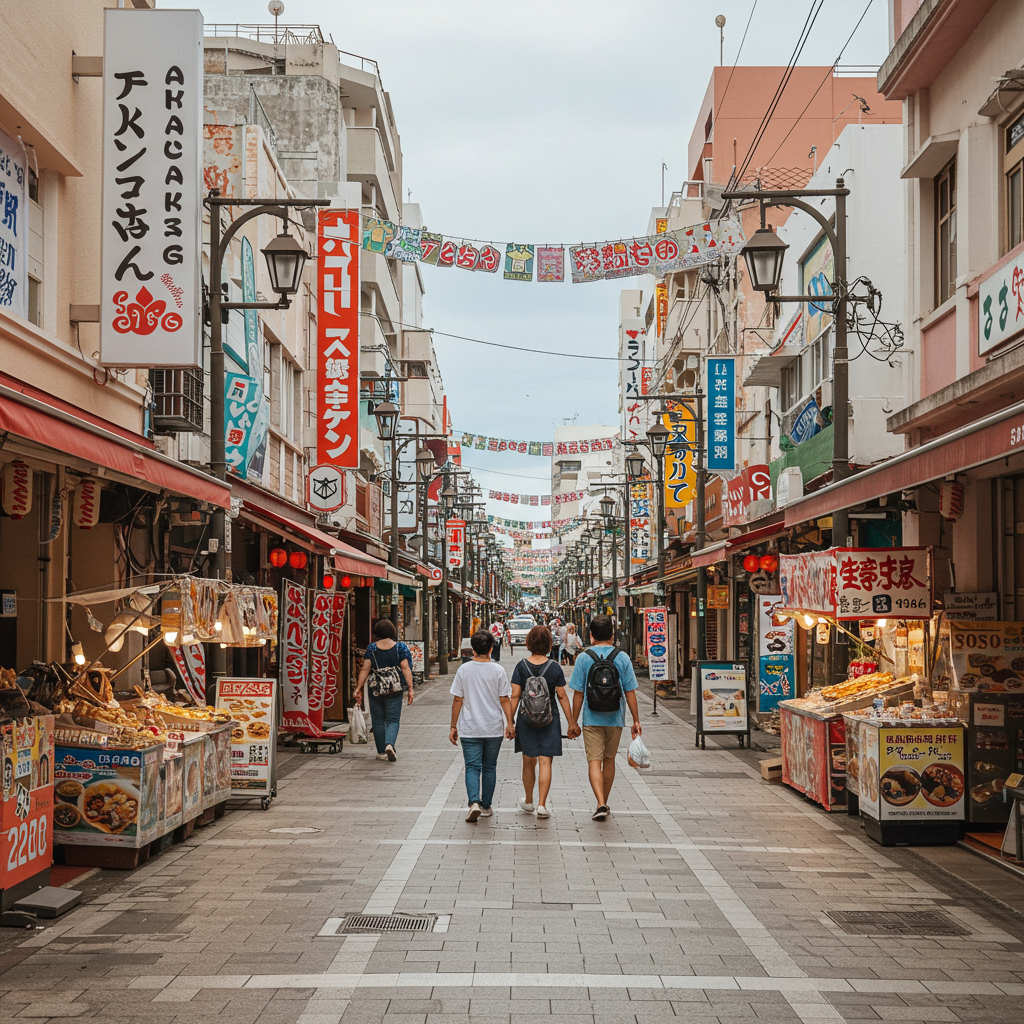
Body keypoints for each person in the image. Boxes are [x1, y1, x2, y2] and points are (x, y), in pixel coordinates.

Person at [566, 614, 642, 821]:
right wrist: (636, 720)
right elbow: (630, 691)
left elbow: (578, 693)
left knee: (594, 761)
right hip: (615, 718)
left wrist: (573, 722)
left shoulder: (584, 658)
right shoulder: (622, 657)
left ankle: (600, 803)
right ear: (612, 635)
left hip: (592, 719)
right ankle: (604, 802)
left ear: (591, 635)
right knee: (609, 760)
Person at [510, 625, 580, 818]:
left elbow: (515, 696)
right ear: (549, 643)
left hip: (526, 719)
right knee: (545, 761)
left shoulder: (521, 666)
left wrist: (509, 722)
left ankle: (529, 801)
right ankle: (542, 805)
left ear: (529, 643)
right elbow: (562, 696)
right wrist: (572, 722)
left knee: (528, 760)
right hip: (550, 719)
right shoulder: (554, 667)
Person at [449, 630, 515, 822]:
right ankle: (486, 806)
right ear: (491, 648)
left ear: (473, 649)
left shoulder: (464, 670)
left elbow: (457, 699)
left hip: (470, 728)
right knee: (489, 767)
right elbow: (504, 699)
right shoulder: (498, 670)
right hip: (493, 728)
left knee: (472, 766)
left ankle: (474, 802)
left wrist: (453, 726)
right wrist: (510, 723)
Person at [353, 619, 414, 762]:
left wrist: (358, 688)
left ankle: (381, 751)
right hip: (395, 688)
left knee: (378, 720)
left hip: (376, 689)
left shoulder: (372, 648)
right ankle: (389, 744)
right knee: (393, 719)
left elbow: (365, 669)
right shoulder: (400, 648)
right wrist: (410, 688)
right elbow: (405, 668)